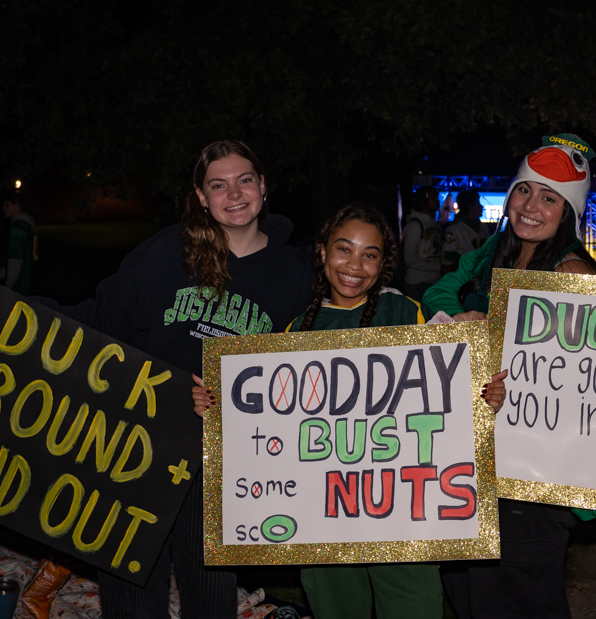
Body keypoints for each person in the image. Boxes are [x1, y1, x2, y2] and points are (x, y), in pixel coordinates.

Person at [0, 139, 313, 618]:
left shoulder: (294, 273)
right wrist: (6, 310)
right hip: (139, 436)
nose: (234, 193)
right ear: (200, 196)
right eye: (218, 184)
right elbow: (100, 317)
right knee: (131, 584)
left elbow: (311, 358)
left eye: (244, 180)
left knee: (210, 586)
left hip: (223, 449)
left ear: (263, 186)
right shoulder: (169, 251)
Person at [191, 203, 505, 619]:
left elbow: (446, 397)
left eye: (369, 255)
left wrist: (484, 398)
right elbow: (270, 428)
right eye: (343, 249)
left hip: (402, 518)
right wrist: (216, 408)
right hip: (324, 520)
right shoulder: (295, 330)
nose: (354, 265)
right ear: (321, 252)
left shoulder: (404, 313)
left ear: (382, 263)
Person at [424, 134, 596, 619]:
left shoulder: (573, 275)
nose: (532, 206)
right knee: (468, 591)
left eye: (550, 198)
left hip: (531, 476)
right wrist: (461, 321)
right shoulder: (494, 252)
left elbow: (593, 390)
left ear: (568, 213)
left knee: (521, 598)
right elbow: (440, 291)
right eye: (525, 190)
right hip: (476, 457)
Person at [401, 186, 444, 302]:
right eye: (433, 198)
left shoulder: (436, 225)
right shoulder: (414, 225)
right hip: (418, 284)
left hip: (435, 282)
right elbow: (409, 259)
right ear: (423, 201)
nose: (437, 201)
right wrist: (439, 267)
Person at [0, 194, 35, 295]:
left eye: (7, 205)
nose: (3, 208)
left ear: (16, 207)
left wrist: (7, 289)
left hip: (20, 287)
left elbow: (16, 260)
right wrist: (0, 273)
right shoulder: (26, 225)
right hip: (29, 282)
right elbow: (24, 258)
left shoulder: (18, 227)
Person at [442, 190, 492, 273]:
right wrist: (469, 264)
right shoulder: (455, 228)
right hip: (463, 276)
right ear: (471, 208)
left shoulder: (483, 227)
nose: (481, 206)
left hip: (480, 275)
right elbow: (448, 253)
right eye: (478, 203)